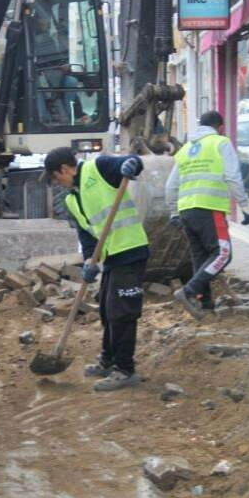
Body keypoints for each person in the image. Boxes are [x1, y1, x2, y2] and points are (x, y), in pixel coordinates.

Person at [44, 147, 149, 392]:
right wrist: (91, 260)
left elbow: (133, 161)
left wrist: (132, 165)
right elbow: (87, 235)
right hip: (112, 255)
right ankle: (108, 360)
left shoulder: (98, 168)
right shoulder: (71, 199)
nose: (57, 183)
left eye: (56, 177)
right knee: (106, 309)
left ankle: (125, 370)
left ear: (65, 169)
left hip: (131, 249)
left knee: (121, 313)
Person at [166, 110, 249, 319]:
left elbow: (171, 185)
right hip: (209, 207)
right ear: (220, 127)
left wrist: (173, 212)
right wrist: (245, 206)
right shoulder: (220, 143)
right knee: (223, 254)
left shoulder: (186, 149)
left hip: (187, 211)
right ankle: (188, 292)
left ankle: (205, 305)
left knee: (201, 258)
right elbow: (232, 176)